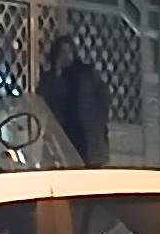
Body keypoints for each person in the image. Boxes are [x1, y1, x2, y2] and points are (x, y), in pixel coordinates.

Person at [38, 36, 108, 168]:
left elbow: (103, 96)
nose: (67, 56)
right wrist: (57, 72)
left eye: (69, 51)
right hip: (62, 130)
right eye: (62, 52)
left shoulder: (86, 74)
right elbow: (43, 98)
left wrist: (99, 120)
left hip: (86, 132)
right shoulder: (50, 78)